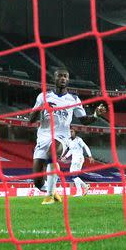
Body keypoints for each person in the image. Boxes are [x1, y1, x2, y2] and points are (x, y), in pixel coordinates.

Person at [29, 68, 106, 204]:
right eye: (60, 76)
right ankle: (52, 190)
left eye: (65, 76)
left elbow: (84, 120)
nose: (63, 78)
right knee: (37, 182)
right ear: (54, 78)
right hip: (43, 137)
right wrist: (42, 107)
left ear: (68, 79)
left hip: (62, 137)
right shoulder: (43, 96)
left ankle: (49, 196)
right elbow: (31, 119)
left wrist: (95, 115)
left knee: (52, 153)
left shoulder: (74, 99)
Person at [61, 129, 95, 196]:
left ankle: (79, 192)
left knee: (73, 175)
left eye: (72, 131)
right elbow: (71, 150)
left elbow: (85, 146)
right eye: (69, 131)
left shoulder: (78, 139)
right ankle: (85, 186)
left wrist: (90, 156)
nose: (70, 133)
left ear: (75, 133)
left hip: (79, 158)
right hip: (74, 159)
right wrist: (65, 157)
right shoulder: (69, 141)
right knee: (74, 176)